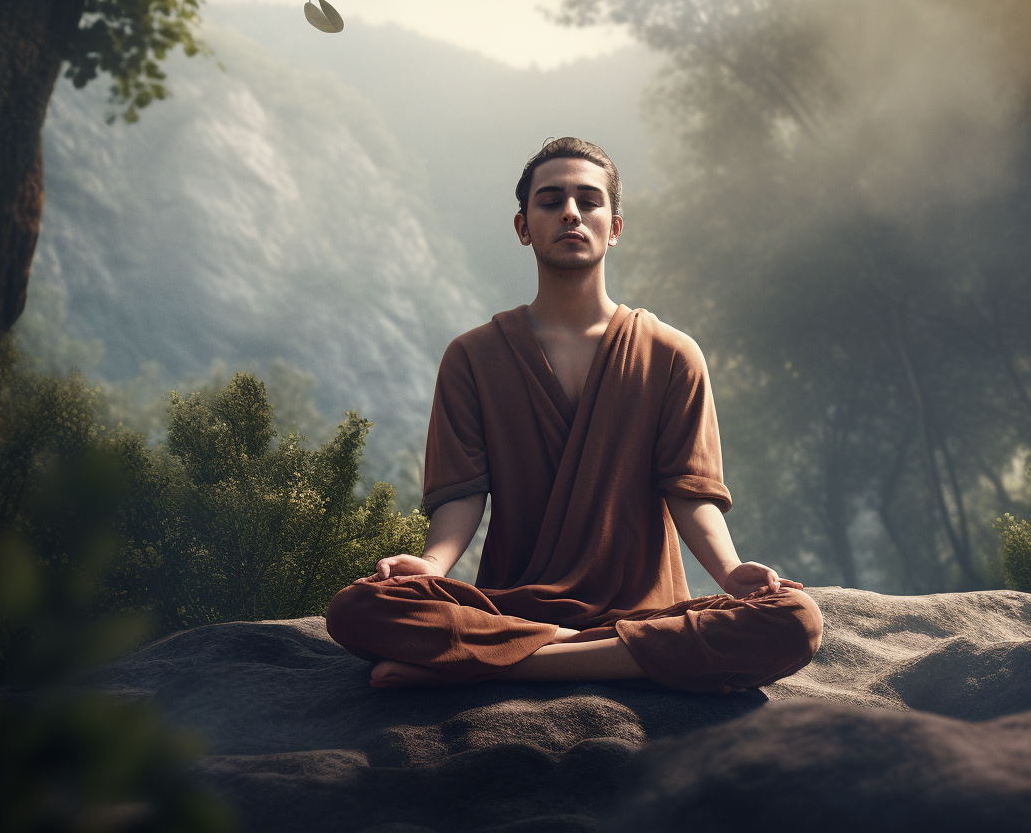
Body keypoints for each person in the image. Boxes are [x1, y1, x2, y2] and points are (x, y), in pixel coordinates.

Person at [325, 138, 823, 693]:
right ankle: (601, 655)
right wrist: (433, 567)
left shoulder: (671, 354)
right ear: (522, 226)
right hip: (510, 607)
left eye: (589, 201)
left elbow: (691, 492)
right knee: (357, 607)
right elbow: (462, 495)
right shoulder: (473, 356)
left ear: (613, 227)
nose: (570, 212)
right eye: (550, 200)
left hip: (641, 610)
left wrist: (732, 573)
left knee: (796, 619)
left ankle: (488, 666)